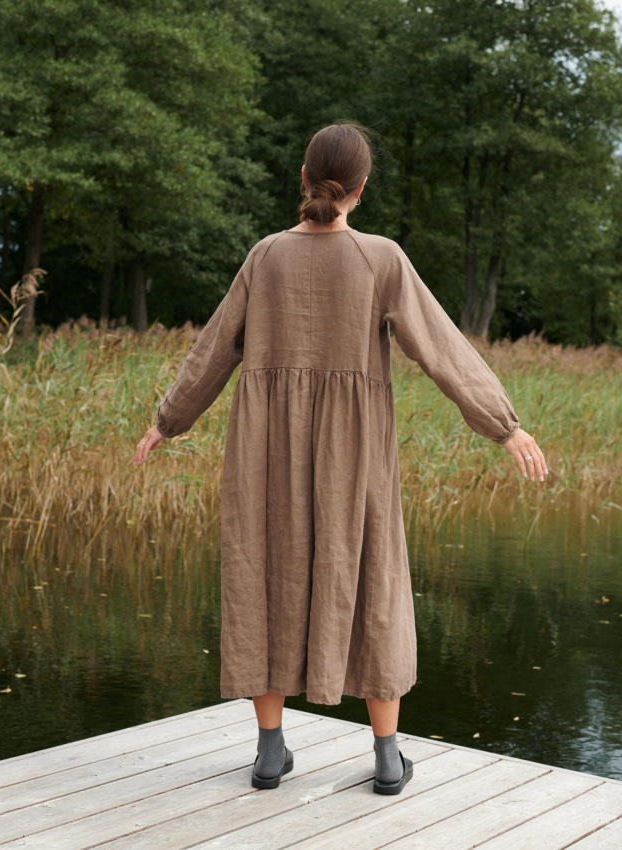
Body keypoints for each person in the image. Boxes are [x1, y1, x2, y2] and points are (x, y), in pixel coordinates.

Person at [134, 122, 547, 796]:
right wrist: (505, 428)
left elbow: (213, 349)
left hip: (266, 449)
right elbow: (442, 349)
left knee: (263, 573)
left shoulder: (265, 256)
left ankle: (270, 754)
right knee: (373, 578)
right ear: (361, 187)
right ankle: (387, 759)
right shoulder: (381, 258)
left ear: (305, 179)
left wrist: (167, 422)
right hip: (354, 456)